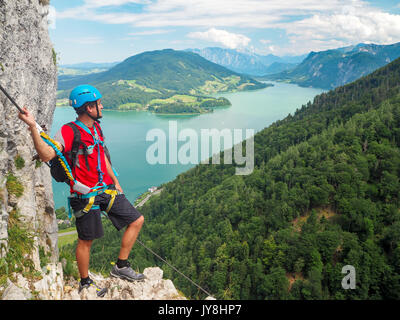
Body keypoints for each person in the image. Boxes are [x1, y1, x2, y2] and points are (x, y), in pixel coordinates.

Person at [18, 84, 145, 297]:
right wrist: (32, 127)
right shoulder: (68, 132)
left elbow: (101, 156)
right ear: (89, 108)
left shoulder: (96, 128)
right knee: (86, 241)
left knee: (136, 220)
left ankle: (121, 267)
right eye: (99, 103)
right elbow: (47, 155)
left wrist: (115, 180)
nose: (102, 106)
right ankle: (85, 282)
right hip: (84, 195)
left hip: (105, 189)